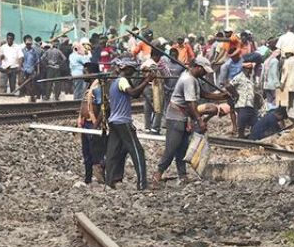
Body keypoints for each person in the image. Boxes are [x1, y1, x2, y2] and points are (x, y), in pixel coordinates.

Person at [156, 57, 226, 185]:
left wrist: (220, 96)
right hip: (176, 116)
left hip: (183, 116)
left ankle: (182, 175)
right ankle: (157, 175)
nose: (205, 74)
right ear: (198, 67)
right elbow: (191, 103)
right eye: (204, 71)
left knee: (182, 147)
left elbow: (203, 94)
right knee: (172, 148)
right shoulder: (188, 80)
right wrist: (200, 121)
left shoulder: (194, 79)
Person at [104, 58, 153, 190]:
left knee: (113, 152)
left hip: (114, 121)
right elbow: (133, 92)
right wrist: (147, 81)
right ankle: (142, 184)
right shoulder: (122, 80)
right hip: (123, 122)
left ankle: (109, 182)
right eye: (132, 70)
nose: (133, 72)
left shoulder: (115, 82)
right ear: (127, 69)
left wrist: (144, 80)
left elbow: (135, 94)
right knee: (137, 151)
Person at [78, 71, 106, 185]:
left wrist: (96, 125)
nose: (84, 74)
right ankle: (88, 178)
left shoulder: (98, 88)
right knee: (87, 153)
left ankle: (101, 176)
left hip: (92, 124)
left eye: (86, 72)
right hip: (85, 124)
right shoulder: (89, 88)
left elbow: (103, 107)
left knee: (96, 152)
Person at [232, 54, 260, 137]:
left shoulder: (251, 78)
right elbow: (228, 85)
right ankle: (241, 137)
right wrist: (235, 94)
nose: (249, 71)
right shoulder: (239, 77)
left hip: (251, 104)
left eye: (250, 69)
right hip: (242, 104)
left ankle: (251, 137)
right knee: (242, 123)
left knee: (255, 123)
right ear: (243, 69)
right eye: (248, 69)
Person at [19, 34, 40, 102]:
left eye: (30, 44)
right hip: (23, 70)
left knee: (31, 85)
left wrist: (38, 70)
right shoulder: (22, 51)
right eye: (27, 44)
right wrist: (20, 68)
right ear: (25, 42)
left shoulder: (34, 51)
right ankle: (22, 97)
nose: (29, 45)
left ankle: (31, 98)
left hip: (31, 70)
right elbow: (20, 60)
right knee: (22, 84)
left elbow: (37, 61)